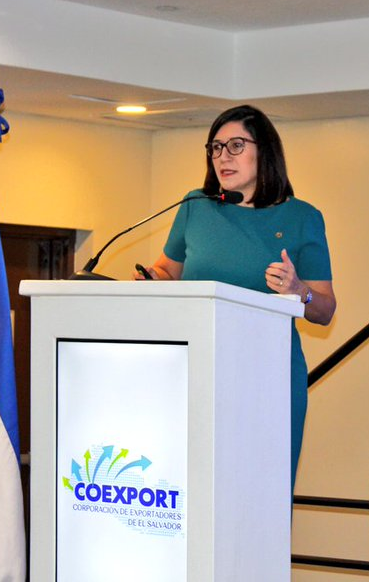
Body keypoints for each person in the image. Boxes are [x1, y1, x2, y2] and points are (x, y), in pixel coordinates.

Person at [135, 105, 336, 492]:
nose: (223, 156)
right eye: (215, 147)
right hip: (195, 368)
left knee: (261, 490)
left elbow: (325, 309)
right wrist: (153, 278)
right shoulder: (195, 206)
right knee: (191, 485)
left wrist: (299, 291)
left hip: (268, 376)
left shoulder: (302, 218)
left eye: (236, 145)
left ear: (265, 151)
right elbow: (167, 270)